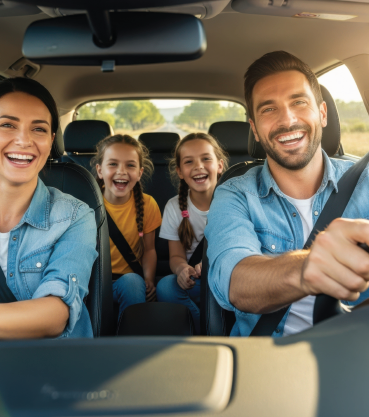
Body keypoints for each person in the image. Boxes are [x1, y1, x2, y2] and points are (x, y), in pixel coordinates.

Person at [206, 51, 369, 337]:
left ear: (322, 113)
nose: (288, 120)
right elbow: (234, 280)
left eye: (299, 102)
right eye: (269, 109)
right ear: (255, 130)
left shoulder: (365, 179)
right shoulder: (234, 194)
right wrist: (307, 267)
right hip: (270, 360)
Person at [0, 78, 98, 342]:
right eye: (7, 125)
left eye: (38, 129)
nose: (24, 140)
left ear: (50, 141)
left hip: (38, 369)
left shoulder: (74, 216)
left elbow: (57, 313)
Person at [156, 133, 228, 334]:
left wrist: (213, 265)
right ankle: (203, 333)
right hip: (195, 282)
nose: (198, 166)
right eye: (189, 162)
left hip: (225, 277)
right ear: (179, 171)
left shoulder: (233, 202)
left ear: (219, 165)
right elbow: (176, 256)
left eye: (206, 158)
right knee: (166, 287)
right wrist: (182, 270)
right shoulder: (174, 207)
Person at [93, 134, 162, 316]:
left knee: (132, 282)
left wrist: (148, 279)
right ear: (100, 171)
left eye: (130, 165)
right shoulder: (87, 203)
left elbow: (149, 250)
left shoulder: (148, 204)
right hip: (94, 281)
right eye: (113, 164)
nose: (122, 171)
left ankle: (132, 339)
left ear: (139, 173)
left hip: (129, 280)